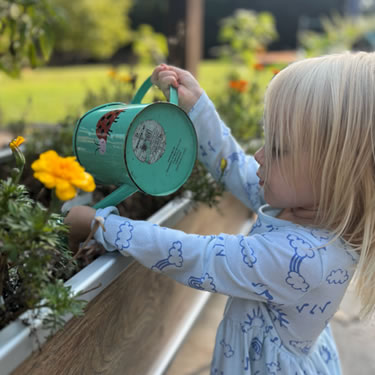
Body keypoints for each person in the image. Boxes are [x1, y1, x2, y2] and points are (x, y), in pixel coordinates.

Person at [65, 52, 375, 374]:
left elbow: (198, 256)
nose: (259, 155)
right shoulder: (306, 203)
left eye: (279, 148)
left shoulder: (303, 259)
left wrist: (102, 225)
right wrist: (196, 107)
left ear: (337, 174)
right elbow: (236, 167)